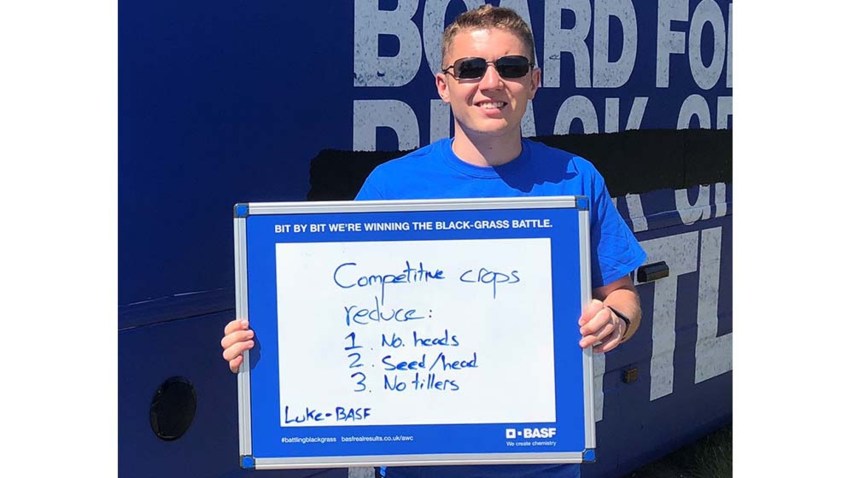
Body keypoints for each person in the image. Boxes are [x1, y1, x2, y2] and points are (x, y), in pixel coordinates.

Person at [221, 5, 646, 477]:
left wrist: (614, 320)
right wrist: (263, 346)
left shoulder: (575, 180)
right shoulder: (390, 187)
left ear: (534, 81)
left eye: (510, 67)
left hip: (544, 464)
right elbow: (333, 309)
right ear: (444, 85)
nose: (491, 83)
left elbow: (623, 296)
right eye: (470, 68)